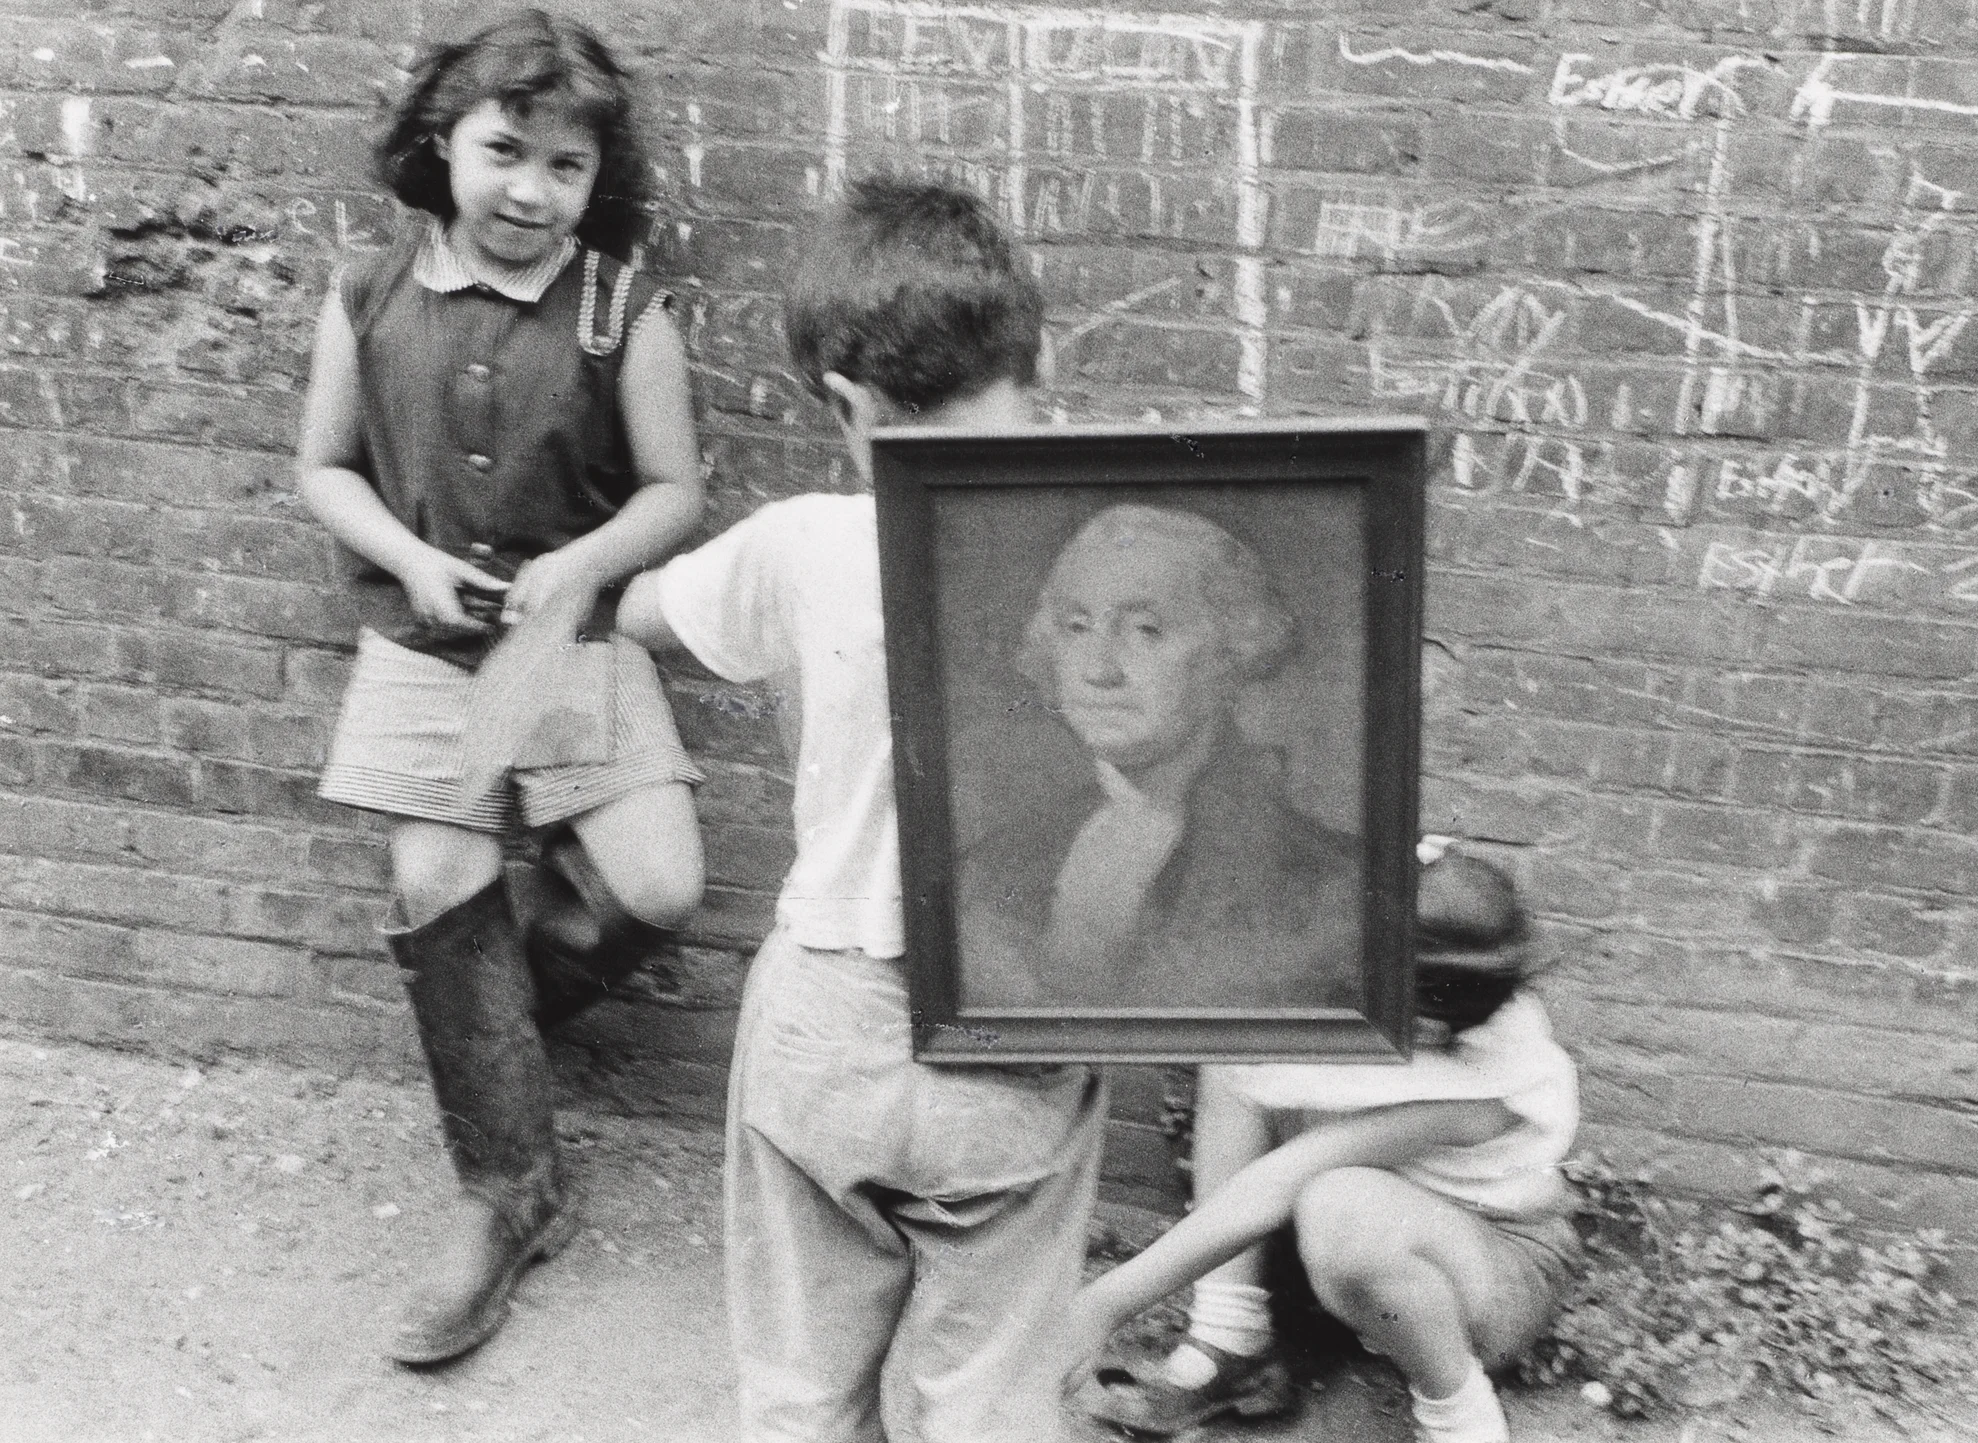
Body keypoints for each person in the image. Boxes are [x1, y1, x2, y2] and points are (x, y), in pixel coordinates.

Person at [614, 176, 1108, 1442]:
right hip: (1015, 1022)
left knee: (798, 1387)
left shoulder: (802, 542)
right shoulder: (1110, 556)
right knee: (993, 1392)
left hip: (823, 1021)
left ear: (845, 402)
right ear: (1036, 357)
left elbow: (641, 613)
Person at [294, 10, 707, 1364]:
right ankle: (508, 1185)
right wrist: (411, 561)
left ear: (599, 184)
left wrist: (579, 566)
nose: (531, 190)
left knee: (655, 887)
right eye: (504, 151)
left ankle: (491, 1042)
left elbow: (673, 490)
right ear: (440, 146)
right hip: (426, 647)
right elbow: (325, 469)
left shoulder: (618, 305)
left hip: (565, 643)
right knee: (436, 881)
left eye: (565, 167)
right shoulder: (366, 288)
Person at [1058, 839, 1581, 1443]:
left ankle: (1462, 1418)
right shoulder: (1431, 986)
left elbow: (1282, 1181)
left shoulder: (1493, 1081)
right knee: (1240, 1059)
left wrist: (1101, 1307)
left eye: (1435, 1011)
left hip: (1495, 1273)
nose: (1423, 1024)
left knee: (1339, 1202)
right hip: (1384, 1252)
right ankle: (1230, 1340)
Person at [957, 505, 1362, 1010]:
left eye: (1146, 630)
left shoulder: (1334, 887)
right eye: (1077, 627)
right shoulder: (991, 867)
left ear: (1230, 652)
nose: (1100, 671)